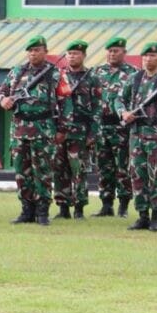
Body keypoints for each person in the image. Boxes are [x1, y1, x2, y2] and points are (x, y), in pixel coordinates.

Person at [0, 35, 69, 225]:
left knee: (43, 171)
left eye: (37, 50)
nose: (33, 53)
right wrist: (3, 100)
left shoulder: (55, 73)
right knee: (22, 172)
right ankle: (27, 210)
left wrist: (62, 128)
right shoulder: (17, 72)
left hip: (43, 129)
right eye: (30, 50)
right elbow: (0, 91)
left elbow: (65, 102)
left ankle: (42, 211)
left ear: (45, 51)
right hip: (19, 129)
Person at [115, 42, 157, 232]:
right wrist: (123, 113)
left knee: (156, 175)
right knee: (137, 175)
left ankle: (156, 216)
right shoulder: (134, 78)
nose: (148, 59)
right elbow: (118, 99)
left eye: (152, 56)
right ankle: (142, 215)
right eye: (145, 56)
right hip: (137, 133)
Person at [53, 40, 100, 220]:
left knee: (79, 170)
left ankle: (79, 208)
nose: (72, 56)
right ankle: (63, 207)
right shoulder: (58, 76)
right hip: (60, 130)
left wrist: (93, 133)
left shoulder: (91, 78)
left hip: (81, 130)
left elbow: (97, 107)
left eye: (76, 54)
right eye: (70, 53)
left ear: (84, 55)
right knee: (59, 169)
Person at [93, 37, 138, 217]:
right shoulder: (97, 72)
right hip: (101, 126)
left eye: (116, 51)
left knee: (123, 167)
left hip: (122, 127)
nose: (112, 54)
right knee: (104, 167)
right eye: (110, 51)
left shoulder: (133, 73)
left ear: (124, 52)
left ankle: (123, 205)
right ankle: (106, 205)